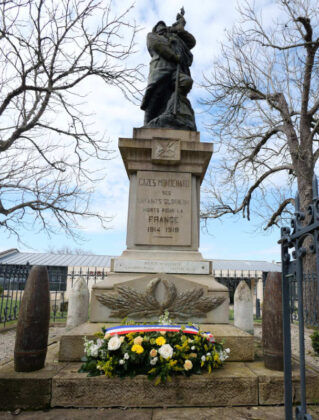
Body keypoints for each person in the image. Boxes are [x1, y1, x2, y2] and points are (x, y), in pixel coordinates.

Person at [141, 12, 197, 131]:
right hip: (160, 70)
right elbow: (159, 47)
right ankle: (148, 123)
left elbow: (191, 42)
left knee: (186, 82)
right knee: (155, 96)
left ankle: (171, 112)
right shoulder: (152, 36)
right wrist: (174, 56)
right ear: (156, 30)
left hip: (175, 71)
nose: (162, 28)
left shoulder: (175, 38)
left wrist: (179, 28)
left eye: (164, 27)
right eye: (159, 27)